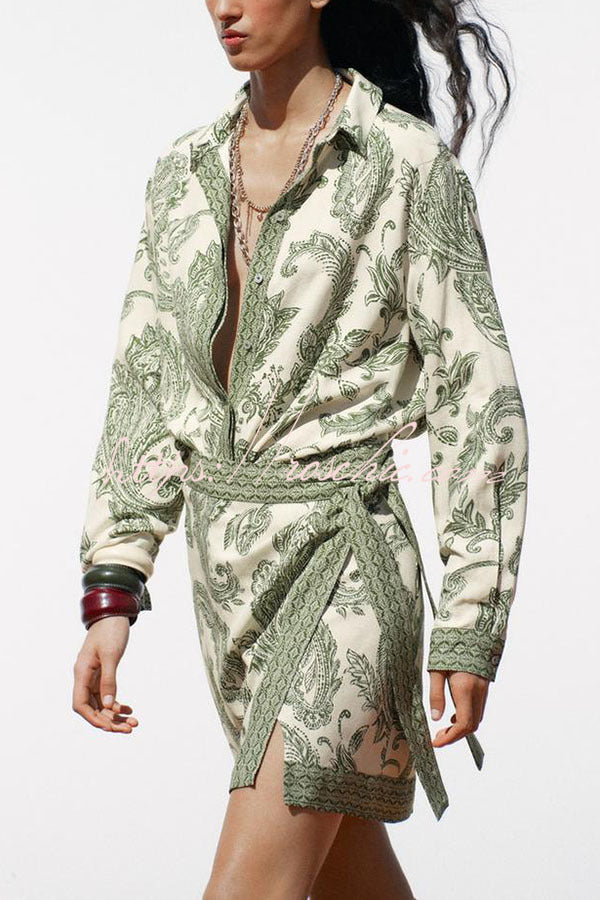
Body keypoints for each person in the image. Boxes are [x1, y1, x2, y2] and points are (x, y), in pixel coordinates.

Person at [72, 0, 529, 896]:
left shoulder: (404, 164)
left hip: (345, 567)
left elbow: (476, 394)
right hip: (227, 590)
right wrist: (112, 588)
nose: (224, 7)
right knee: (349, 881)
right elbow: (145, 386)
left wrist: (473, 616)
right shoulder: (183, 173)